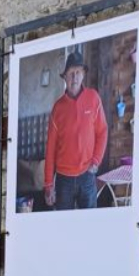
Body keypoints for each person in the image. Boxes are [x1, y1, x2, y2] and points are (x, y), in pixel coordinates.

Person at [44, 51, 107, 211]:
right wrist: (48, 184)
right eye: (71, 73)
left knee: (90, 225)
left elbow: (102, 131)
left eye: (78, 72)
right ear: (64, 77)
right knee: (63, 228)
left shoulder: (93, 98)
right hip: (64, 179)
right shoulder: (58, 108)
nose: (75, 77)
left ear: (83, 74)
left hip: (87, 176)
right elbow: (50, 148)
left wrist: (96, 161)